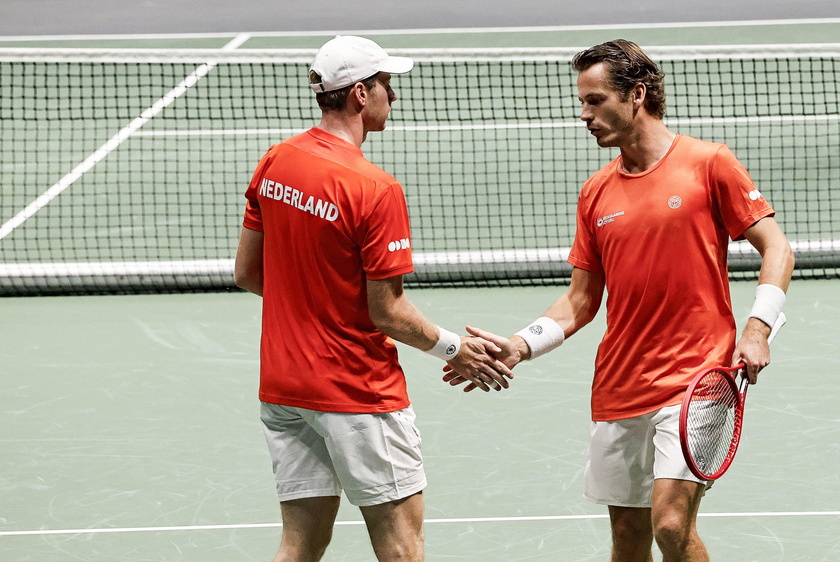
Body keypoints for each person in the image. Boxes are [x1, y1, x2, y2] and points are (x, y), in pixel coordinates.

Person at [444, 39, 795, 561]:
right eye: (581, 102)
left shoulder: (708, 164)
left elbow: (777, 247)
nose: (583, 114)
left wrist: (758, 328)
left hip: (697, 379)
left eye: (594, 100)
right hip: (620, 385)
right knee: (628, 539)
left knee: (672, 526)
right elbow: (580, 301)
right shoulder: (596, 193)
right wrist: (520, 345)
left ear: (636, 94)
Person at [234, 35, 512, 562]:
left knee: (299, 543)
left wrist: (317, 300)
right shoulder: (374, 187)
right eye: (386, 84)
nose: (393, 95)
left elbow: (248, 272)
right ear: (360, 93)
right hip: (355, 392)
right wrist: (456, 349)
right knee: (401, 548)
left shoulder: (276, 161)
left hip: (284, 386)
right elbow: (386, 311)